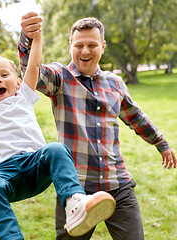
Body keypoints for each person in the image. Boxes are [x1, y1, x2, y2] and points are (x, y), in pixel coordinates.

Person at [19, 12, 177, 240]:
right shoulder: (60, 78)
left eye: (92, 45)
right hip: (76, 189)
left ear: (102, 46)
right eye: (79, 45)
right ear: (70, 45)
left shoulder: (115, 83)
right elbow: (29, 71)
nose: (85, 51)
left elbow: (136, 117)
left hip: (117, 183)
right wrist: (27, 38)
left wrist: (161, 143)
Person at [0, 29, 116, 240]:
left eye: (4, 75)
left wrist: (37, 37)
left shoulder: (24, 95)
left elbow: (34, 65)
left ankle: (75, 203)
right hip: (5, 172)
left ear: (18, 82)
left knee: (56, 148)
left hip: (35, 164)